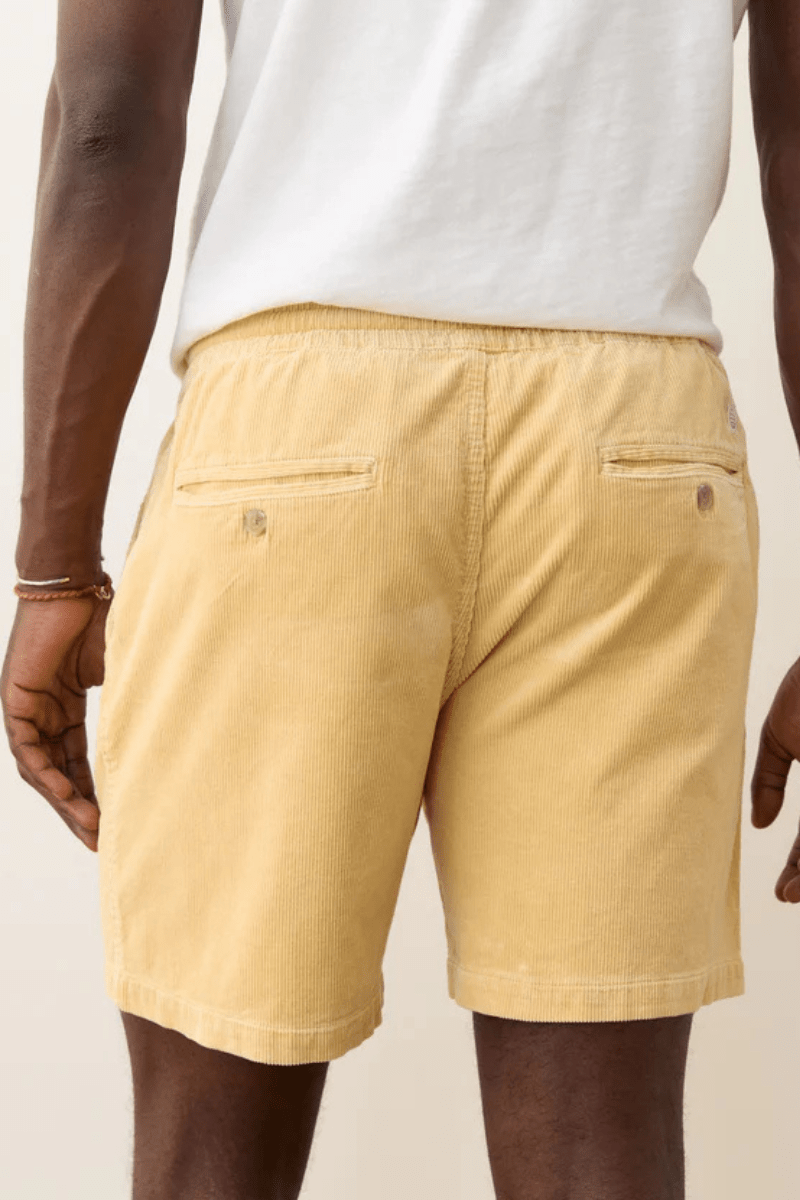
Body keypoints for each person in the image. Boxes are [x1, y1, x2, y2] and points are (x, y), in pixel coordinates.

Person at [2, 0, 799, 1197]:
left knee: (208, 1152)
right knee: (599, 1150)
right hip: (631, 453)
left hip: (292, 442)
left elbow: (109, 121)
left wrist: (55, 568)